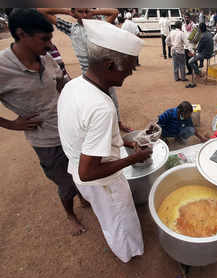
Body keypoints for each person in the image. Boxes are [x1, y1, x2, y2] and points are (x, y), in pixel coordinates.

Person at [58, 19, 151, 262]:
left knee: (108, 217)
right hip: (102, 183)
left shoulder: (74, 86)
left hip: (81, 176)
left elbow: (83, 132)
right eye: (129, 67)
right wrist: (134, 159)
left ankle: (124, 247)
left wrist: (126, 143)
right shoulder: (101, 107)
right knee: (120, 220)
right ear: (110, 65)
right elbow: (88, 172)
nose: (131, 72)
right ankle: (128, 254)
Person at [0, 8, 88, 236]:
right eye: (44, 39)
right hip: (47, 141)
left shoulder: (46, 58)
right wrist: (11, 124)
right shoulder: (2, 68)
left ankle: (83, 198)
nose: (50, 45)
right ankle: (70, 214)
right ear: (21, 34)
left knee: (82, 171)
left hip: (70, 130)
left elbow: (62, 83)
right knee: (66, 183)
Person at [37, 8, 133, 133]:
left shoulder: (98, 27)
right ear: (74, 13)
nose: (83, 15)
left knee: (113, 101)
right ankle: (102, 128)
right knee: (93, 104)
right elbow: (42, 11)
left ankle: (118, 124)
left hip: (104, 72)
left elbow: (114, 12)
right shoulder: (71, 28)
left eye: (86, 11)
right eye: (80, 12)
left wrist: (93, 13)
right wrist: (67, 11)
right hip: (87, 75)